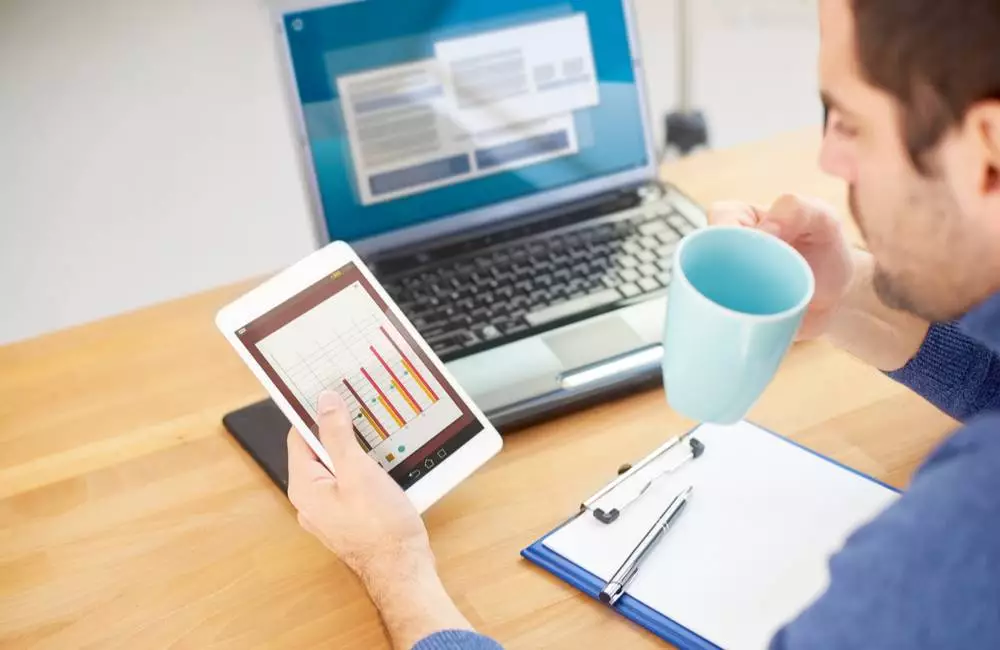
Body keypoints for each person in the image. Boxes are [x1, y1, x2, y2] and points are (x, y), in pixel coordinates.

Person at [285, 0, 1000, 647]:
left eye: (850, 119)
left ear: (989, 147)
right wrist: (847, 298)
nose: (828, 157)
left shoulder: (971, 525)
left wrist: (395, 565)